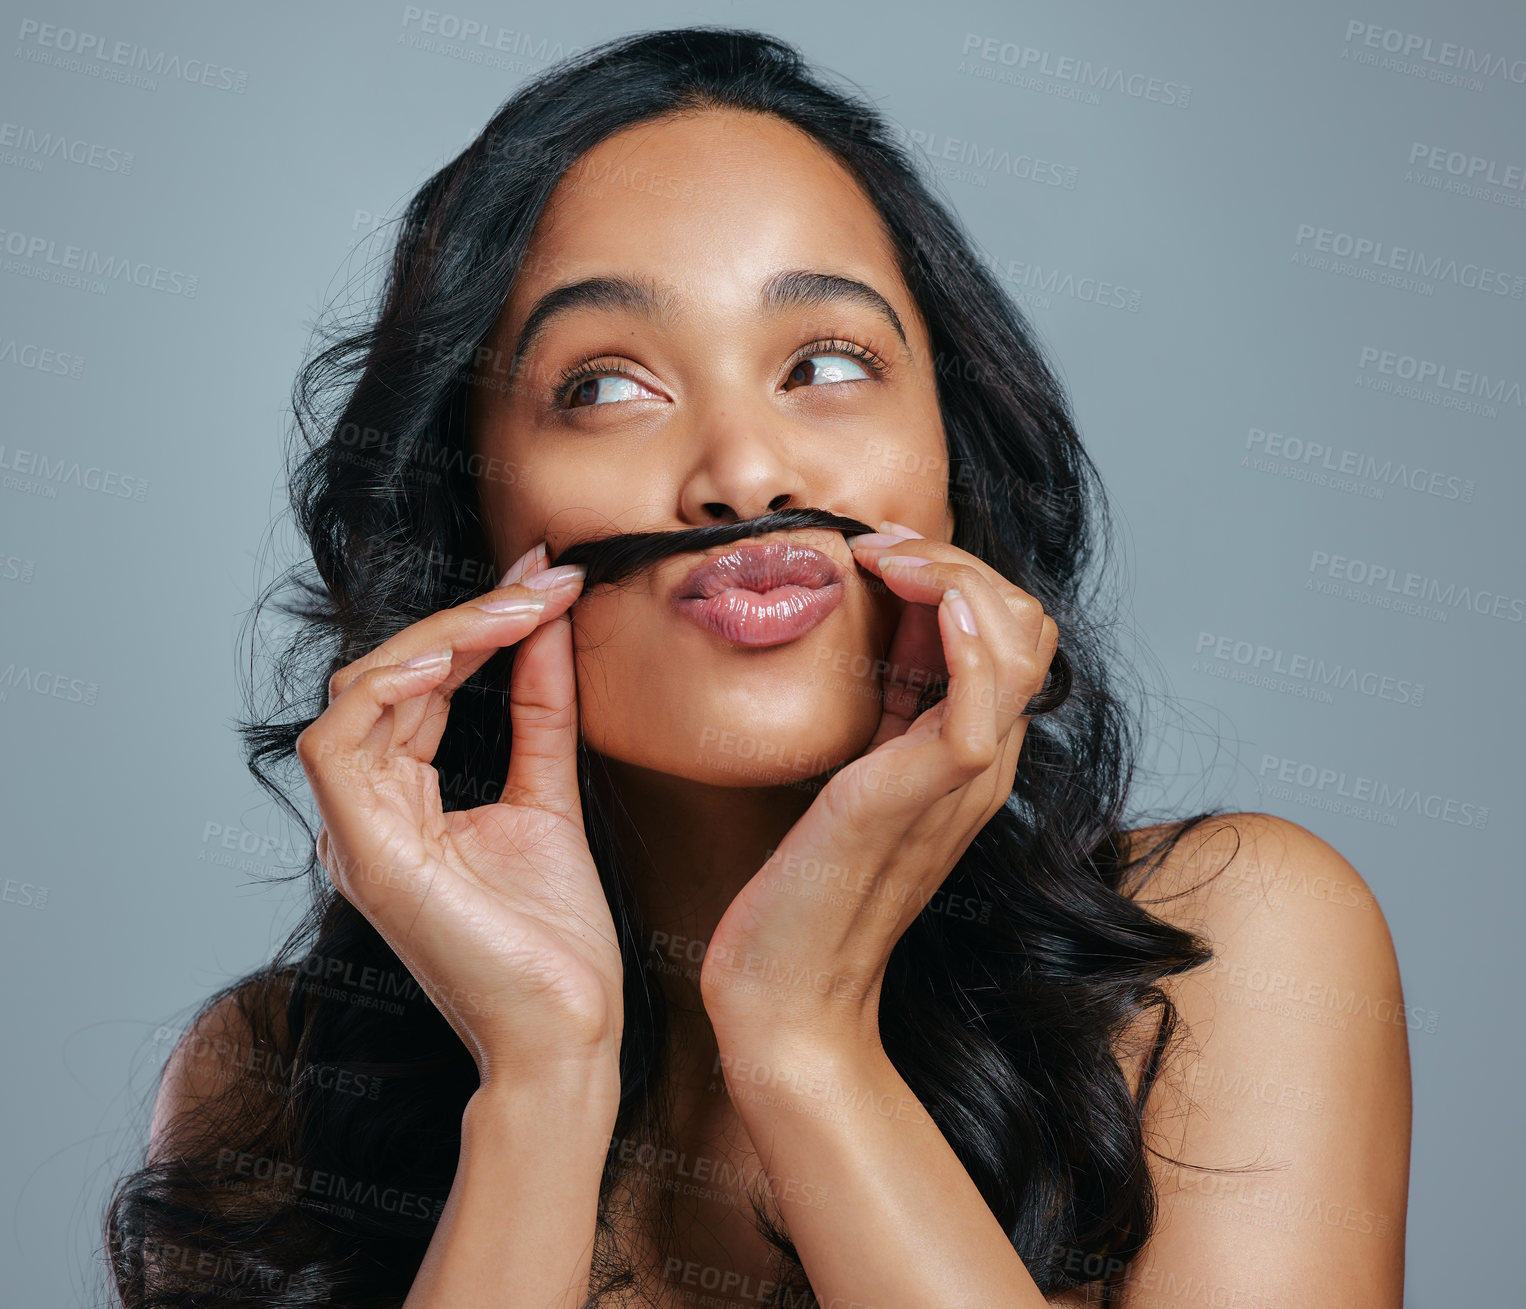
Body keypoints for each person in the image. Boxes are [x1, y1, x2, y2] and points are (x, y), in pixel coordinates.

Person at [105, 26, 1410, 1309]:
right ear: (467, 516)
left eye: (827, 363)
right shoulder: (268, 1084)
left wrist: (804, 1038)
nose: (743, 473)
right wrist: (544, 1079)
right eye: (607, 386)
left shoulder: (1229, 952)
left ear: (951, 459)